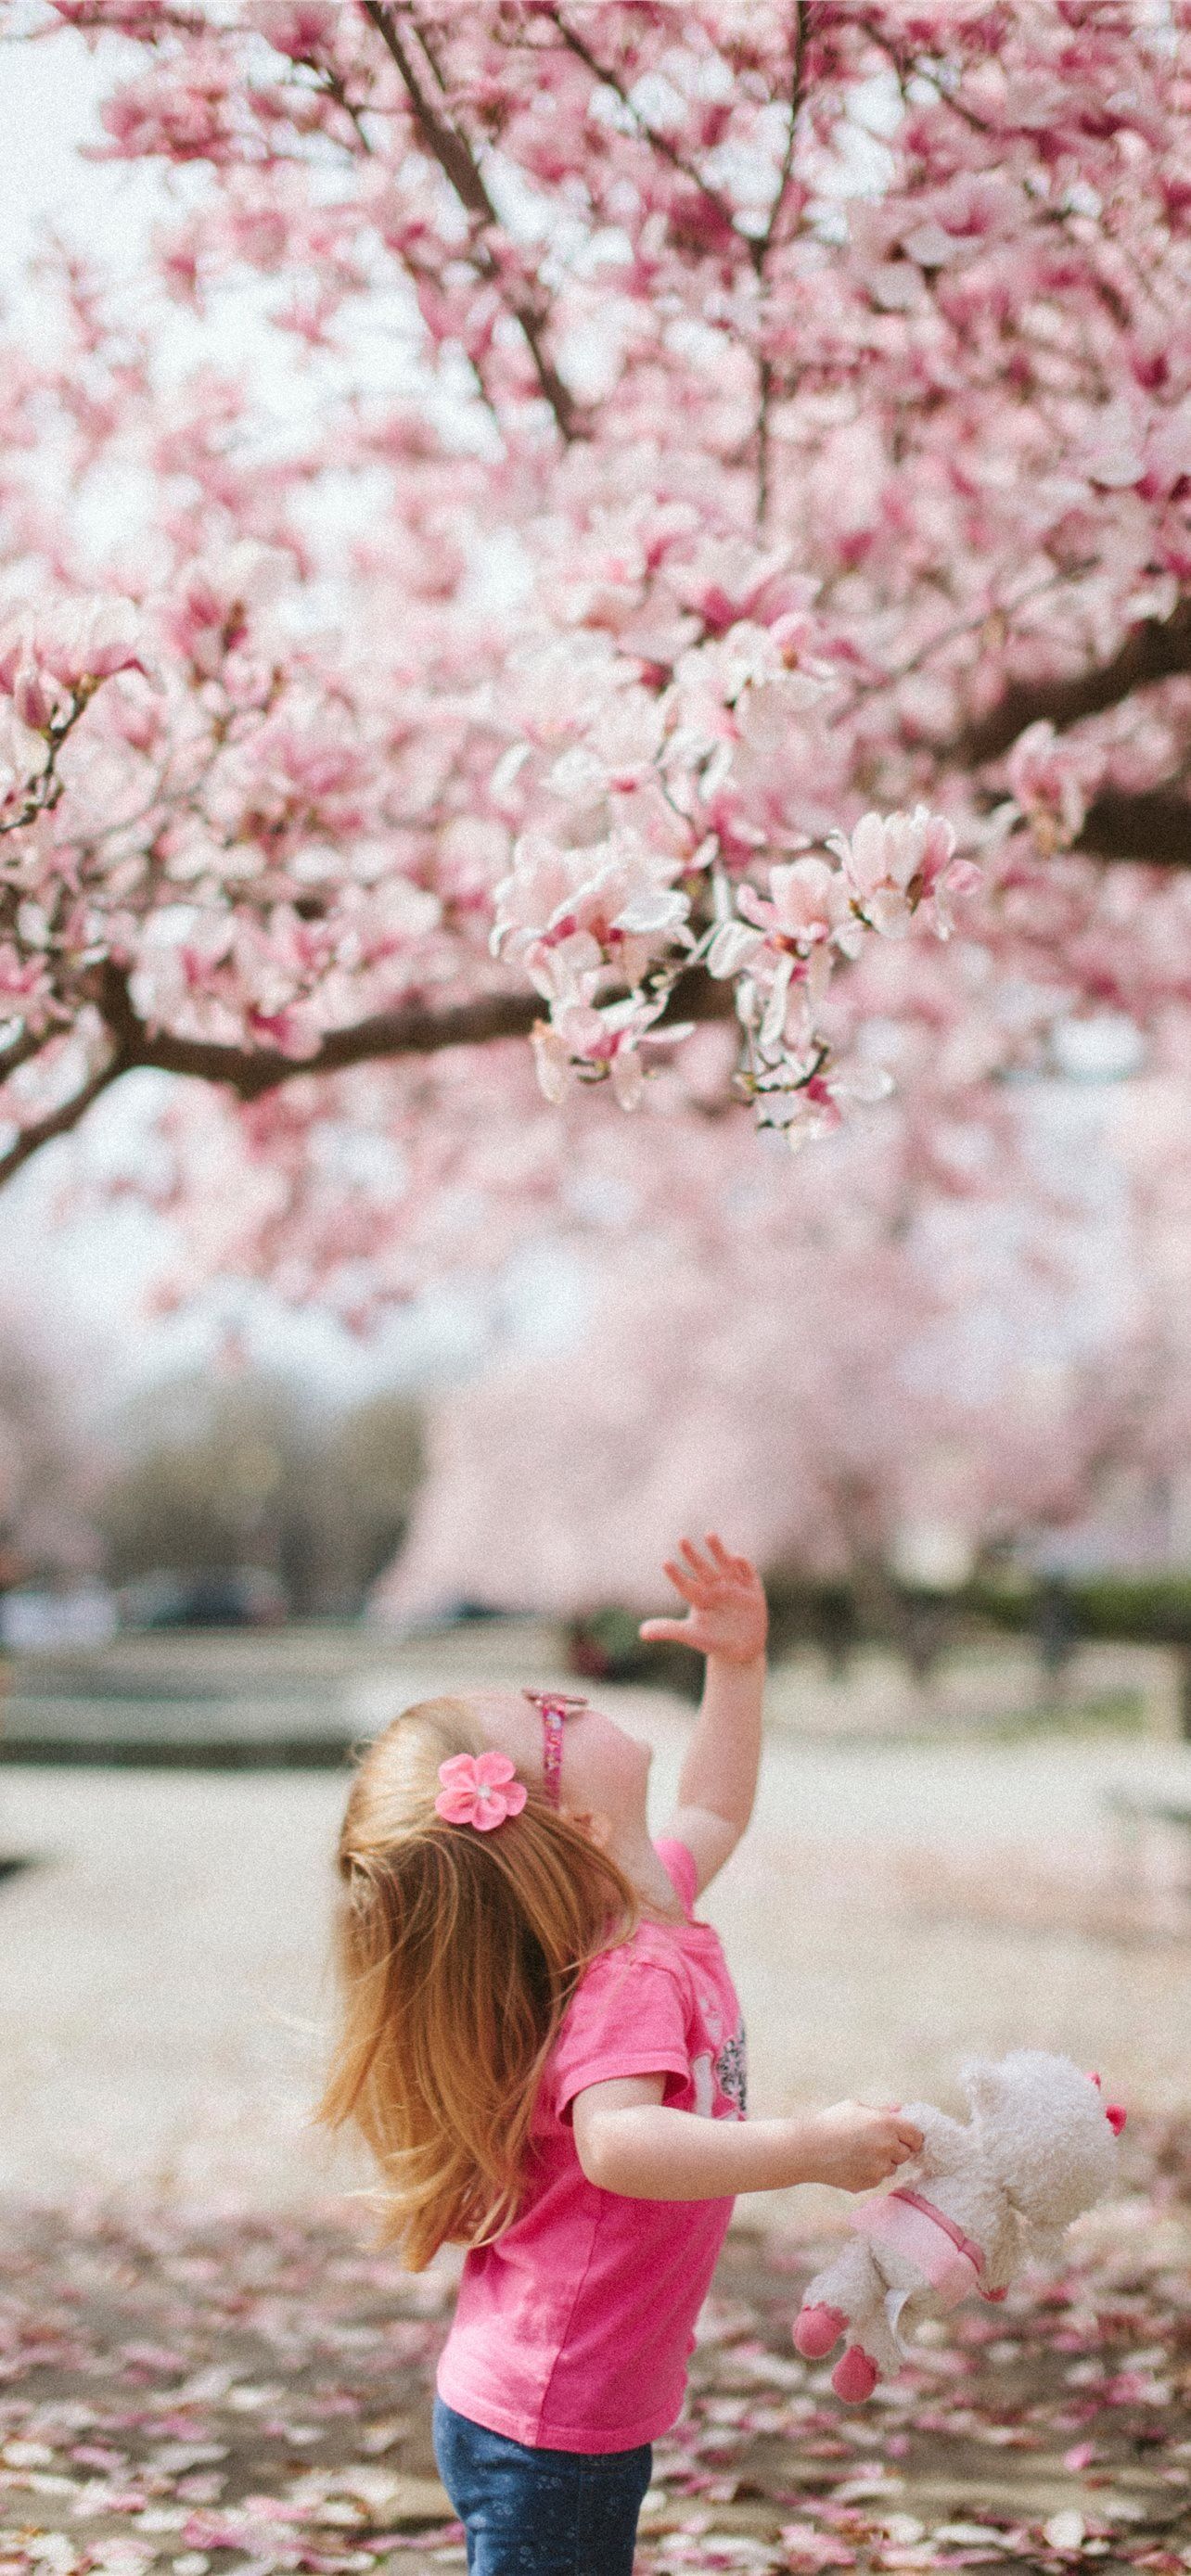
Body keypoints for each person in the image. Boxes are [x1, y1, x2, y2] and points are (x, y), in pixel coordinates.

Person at [318, 1535, 923, 2575]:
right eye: (554, 1719)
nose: (569, 1696)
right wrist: (807, 2147)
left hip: (547, 2399)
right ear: (586, 1825)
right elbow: (621, 2143)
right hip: (553, 2424)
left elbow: (719, 1805)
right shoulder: (626, 1974)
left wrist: (736, 1667)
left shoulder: (650, 1899)